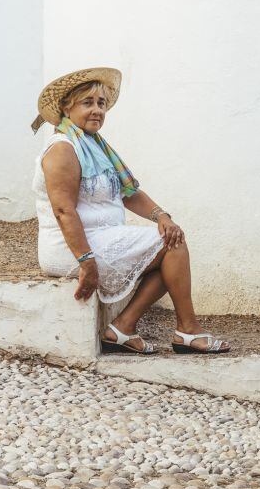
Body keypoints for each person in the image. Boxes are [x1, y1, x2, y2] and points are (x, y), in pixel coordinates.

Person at [30, 67, 229, 355]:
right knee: (172, 248)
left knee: (171, 241)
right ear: (66, 107)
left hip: (100, 236)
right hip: (70, 245)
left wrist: (162, 216)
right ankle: (187, 330)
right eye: (88, 103)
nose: (97, 110)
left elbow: (129, 193)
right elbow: (63, 211)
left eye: (101, 103)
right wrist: (86, 262)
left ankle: (123, 328)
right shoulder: (63, 149)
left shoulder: (95, 146)